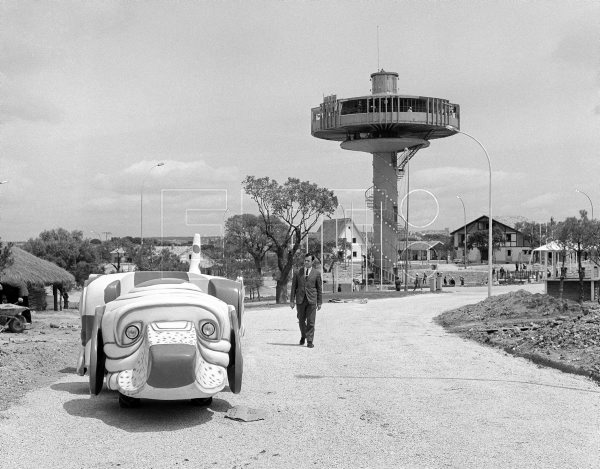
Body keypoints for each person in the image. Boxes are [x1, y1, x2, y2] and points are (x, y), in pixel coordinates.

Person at [290, 254, 322, 349]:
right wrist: (292, 300)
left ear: (312, 262)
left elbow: (319, 288)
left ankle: (309, 340)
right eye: (305, 260)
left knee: (311, 322)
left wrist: (319, 302)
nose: (306, 262)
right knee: (301, 320)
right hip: (300, 300)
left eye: (308, 261)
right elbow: (293, 287)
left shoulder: (316, 273)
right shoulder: (297, 272)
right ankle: (303, 335)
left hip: (311, 300)